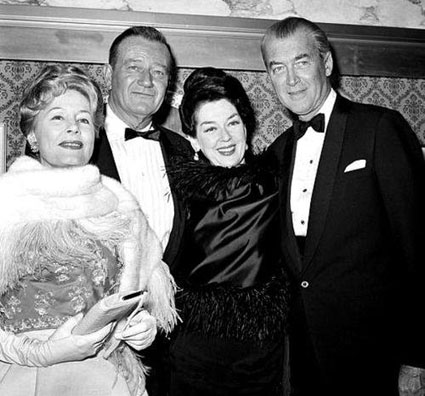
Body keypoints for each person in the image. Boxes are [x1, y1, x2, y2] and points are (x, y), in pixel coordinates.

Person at [261, 17, 425, 396]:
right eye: (277, 68)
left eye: (301, 62)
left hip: (378, 358)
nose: (291, 80)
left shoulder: (380, 128)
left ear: (327, 64)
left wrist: (418, 356)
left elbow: (419, 245)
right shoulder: (277, 153)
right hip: (306, 358)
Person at [0, 64, 177, 396]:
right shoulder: (5, 202)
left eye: (83, 120)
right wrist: (33, 352)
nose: (73, 129)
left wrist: (140, 325)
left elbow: (137, 294)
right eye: (57, 118)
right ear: (32, 135)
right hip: (18, 377)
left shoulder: (120, 206)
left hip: (102, 377)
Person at [165, 67, 290, 396]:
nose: (225, 137)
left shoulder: (277, 179)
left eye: (232, 123)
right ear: (194, 137)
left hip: (261, 348)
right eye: (210, 128)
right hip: (194, 345)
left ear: (246, 126)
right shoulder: (174, 190)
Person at [90, 25, 194, 396]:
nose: (146, 81)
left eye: (159, 72)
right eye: (133, 66)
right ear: (108, 74)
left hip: (175, 346)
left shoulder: (184, 152)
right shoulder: (77, 144)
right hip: (94, 349)